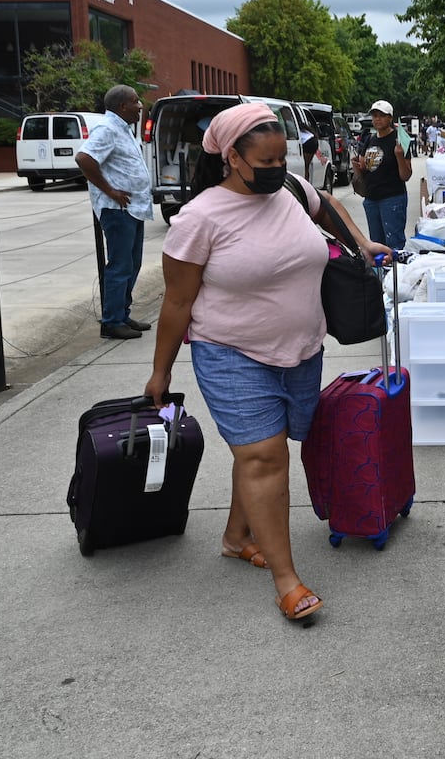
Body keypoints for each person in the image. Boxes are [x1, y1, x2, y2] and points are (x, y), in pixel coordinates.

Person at [142, 102, 390, 623]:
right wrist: (161, 370)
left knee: (266, 451)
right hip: (231, 354)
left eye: (283, 159)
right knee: (265, 458)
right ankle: (287, 580)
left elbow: (325, 202)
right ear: (231, 157)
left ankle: (237, 537)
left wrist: (360, 241)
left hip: (301, 350)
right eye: (267, 162)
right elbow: (177, 303)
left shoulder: (292, 192)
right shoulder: (199, 218)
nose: (278, 171)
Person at [75, 85, 153, 340]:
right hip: (117, 209)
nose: (140, 106)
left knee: (133, 263)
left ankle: (122, 314)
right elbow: (84, 158)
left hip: (134, 208)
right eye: (135, 101)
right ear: (122, 106)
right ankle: (111, 322)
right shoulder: (107, 129)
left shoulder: (124, 128)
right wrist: (109, 191)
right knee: (120, 266)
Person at [351, 99, 412, 251]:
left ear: (390, 118)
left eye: (381, 115)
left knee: (394, 244)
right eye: (374, 115)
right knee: (376, 245)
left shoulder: (399, 140)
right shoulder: (370, 139)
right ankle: (381, 275)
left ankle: (396, 274)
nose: (377, 119)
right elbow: (364, 170)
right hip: (371, 199)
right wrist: (357, 166)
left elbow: (406, 175)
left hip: (392, 199)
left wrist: (399, 155)